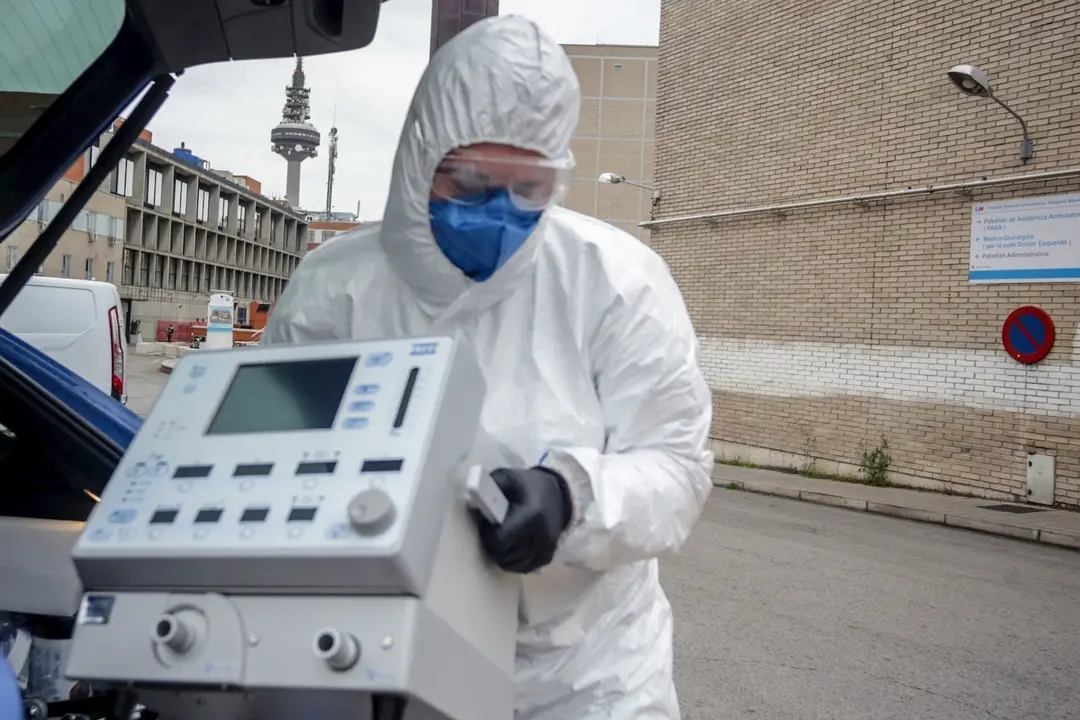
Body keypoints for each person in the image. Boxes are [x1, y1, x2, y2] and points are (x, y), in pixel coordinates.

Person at [261, 14, 714, 720]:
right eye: (470, 181)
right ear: (419, 160)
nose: (499, 212)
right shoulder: (334, 291)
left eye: (528, 187)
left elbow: (676, 469)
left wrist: (571, 497)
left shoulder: (616, 282)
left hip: (586, 680)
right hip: (380, 658)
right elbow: (270, 465)